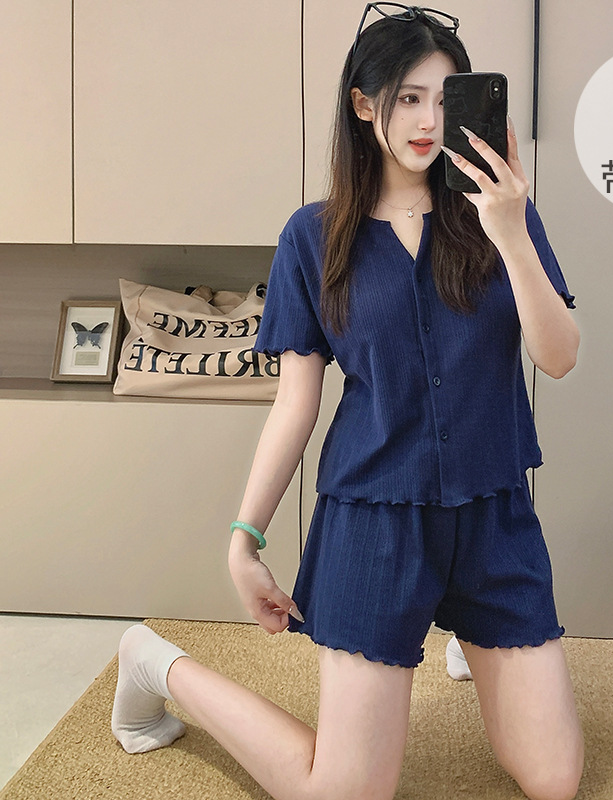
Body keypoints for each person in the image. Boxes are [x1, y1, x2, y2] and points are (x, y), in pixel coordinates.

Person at [110, 5, 584, 800]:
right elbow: (296, 403)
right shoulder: (313, 237)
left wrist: (508, 231)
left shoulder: (502, 212)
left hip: (492, 513)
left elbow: (559, 357)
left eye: (445, 99)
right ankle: (153, 664)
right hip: (375, 519)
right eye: (408, 98)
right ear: (364, 104)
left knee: (556, 780)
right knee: (343, 792)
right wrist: (244, 538)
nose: (429, 121)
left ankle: (470, 632)